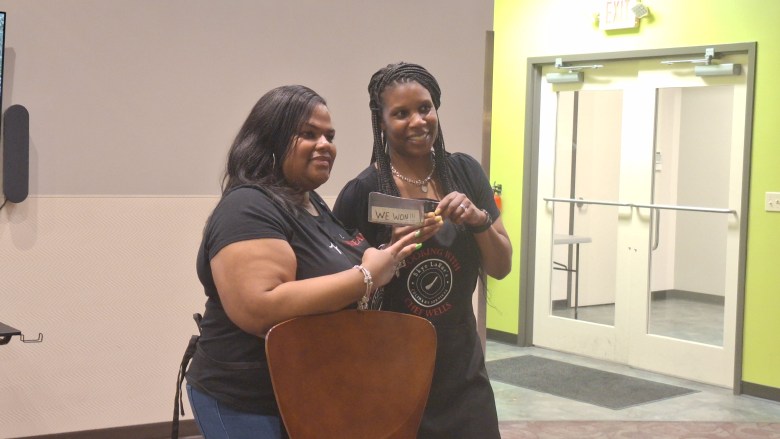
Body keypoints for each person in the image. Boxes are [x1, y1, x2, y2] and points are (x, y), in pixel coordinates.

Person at [175, 85, 438, 439]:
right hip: (249, 399)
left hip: (310, 393)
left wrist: (390, 253)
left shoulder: (309, 202)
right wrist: (367, 275)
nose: (325, 145)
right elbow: (259, 308)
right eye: (309, 134)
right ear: (271, 139)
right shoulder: (247, 206)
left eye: (329, 136)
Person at [333, 62, 513, 438]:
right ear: (381, 121)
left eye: (425, 108)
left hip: (460, 366)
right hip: (390, 367)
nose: (418, 121)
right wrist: (386, 251)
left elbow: (501, 266)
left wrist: (479, 219)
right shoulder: (363, 192)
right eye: (401, 113)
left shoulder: (465, 173)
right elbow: (340, 291)